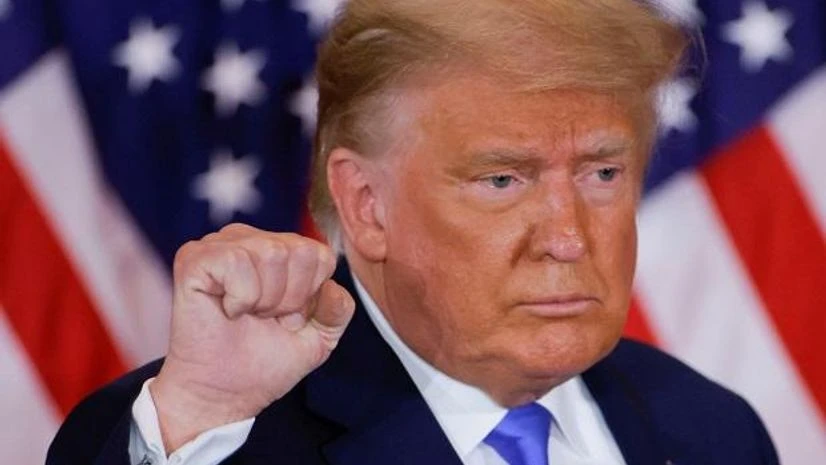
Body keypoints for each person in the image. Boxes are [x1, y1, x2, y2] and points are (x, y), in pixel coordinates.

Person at [48, 1, 780, 464]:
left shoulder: (711, 428)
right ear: (366, 205)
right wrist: (196, 423)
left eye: (601, 174)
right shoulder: (208, 433)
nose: (568, 237)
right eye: (503, 180)